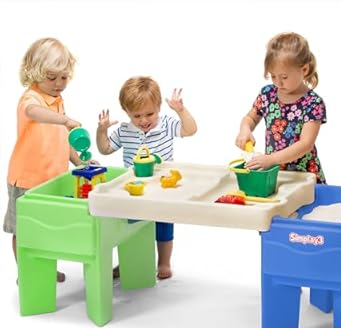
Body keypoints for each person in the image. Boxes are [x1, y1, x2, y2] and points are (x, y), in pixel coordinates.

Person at [96, 76, 197, 280]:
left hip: (163, 187)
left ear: (159, 107)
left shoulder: (166, 124)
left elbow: (190, 130)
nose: (143, 121)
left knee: (163, 225)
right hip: (135, 190)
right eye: (137, 115)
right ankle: (128, 261)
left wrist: (180, 110)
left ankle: (164, 262)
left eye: (149, 114)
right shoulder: (124, 131)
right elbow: (105, 149)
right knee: (130, 228)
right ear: (127, 112)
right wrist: (101, 130)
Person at [3, 37, 86, 283]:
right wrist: (65, 120)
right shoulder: (31, 99)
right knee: (24, 229)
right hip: (27, 180)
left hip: (53, 179)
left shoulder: (57, 101)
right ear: (34, 72)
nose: (59, 83)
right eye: (52, 77)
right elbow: (34, 113)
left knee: (48, 227)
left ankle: (45, 268)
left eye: (64, 77)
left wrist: (79, 162)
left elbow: (62, 139)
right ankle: (27, 273)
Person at [235, 32, 327, 183]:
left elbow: (305, 144)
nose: (278, 82)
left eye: (284, 77)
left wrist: (271, 159)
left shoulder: (313, 103)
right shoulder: (268, 94)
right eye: (273, 76)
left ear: (304, 70)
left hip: (304, 177)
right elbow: (251, 117)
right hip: (276, 175)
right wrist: (245, 129)